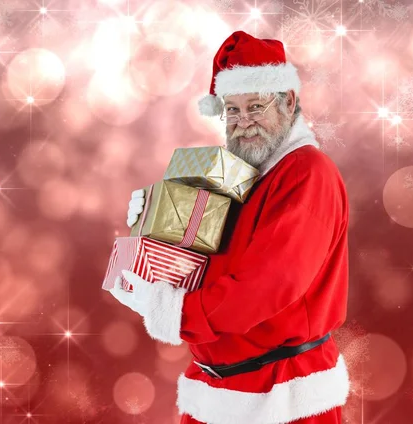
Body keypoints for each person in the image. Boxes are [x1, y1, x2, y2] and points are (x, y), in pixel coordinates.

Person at [110, 30, 350, 424]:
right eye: (232, 111)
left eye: (255, 106)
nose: (243, 123)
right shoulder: (239, 172)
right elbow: (203, 250)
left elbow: (269, 285)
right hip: (214, 389)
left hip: (282, 397)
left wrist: (173, 311)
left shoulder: (307, 172)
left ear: (289, 101)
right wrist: (153, 220)